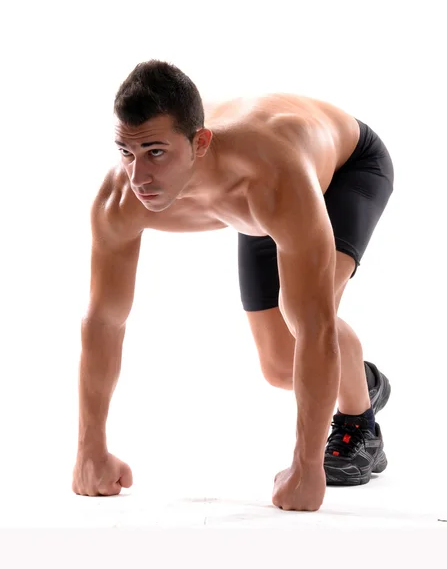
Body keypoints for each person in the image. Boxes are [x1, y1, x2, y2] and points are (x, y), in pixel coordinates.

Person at [72, 60, 394, 512]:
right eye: (128, 152)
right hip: (254, 204)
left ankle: (360, 424)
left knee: (302, 314)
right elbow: (104, 318)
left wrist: (306, 468)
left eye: (156, 152)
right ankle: (360, 377)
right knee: (282, 366)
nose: (139, 177)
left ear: (199, 142)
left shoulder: (271, 179)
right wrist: (90, 449)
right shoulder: (121, 198)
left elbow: (317, 325)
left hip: (343, 170)